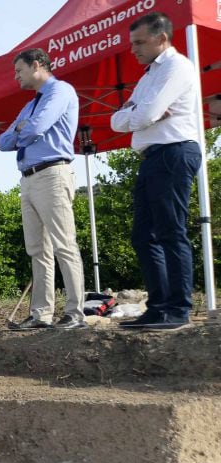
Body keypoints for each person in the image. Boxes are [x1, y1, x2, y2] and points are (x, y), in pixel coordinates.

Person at [111, 12, 201, 330]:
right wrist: (144, 113)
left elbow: (140, 114)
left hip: (174, 152)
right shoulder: (148, 76)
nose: (133, 49)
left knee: (170, 232)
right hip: (152, 157)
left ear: (161, 38)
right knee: (142, 235)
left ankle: (178, 308)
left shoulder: (177, 67)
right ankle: (159, 306)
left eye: (139, 42)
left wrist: (140, 113)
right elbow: (117, 120)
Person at [0, 48, 87, 330]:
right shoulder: (30, 104)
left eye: (19, 71)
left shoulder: (60, 92)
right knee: (37, 248)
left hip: (52, 173)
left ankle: (75, 312)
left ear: (37, 66)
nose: (16, 77)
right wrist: (20, 129)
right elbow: (2, 141)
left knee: (64, 244)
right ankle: (41, 314)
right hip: (29, 178)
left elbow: (34, 129)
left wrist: (20, 131)